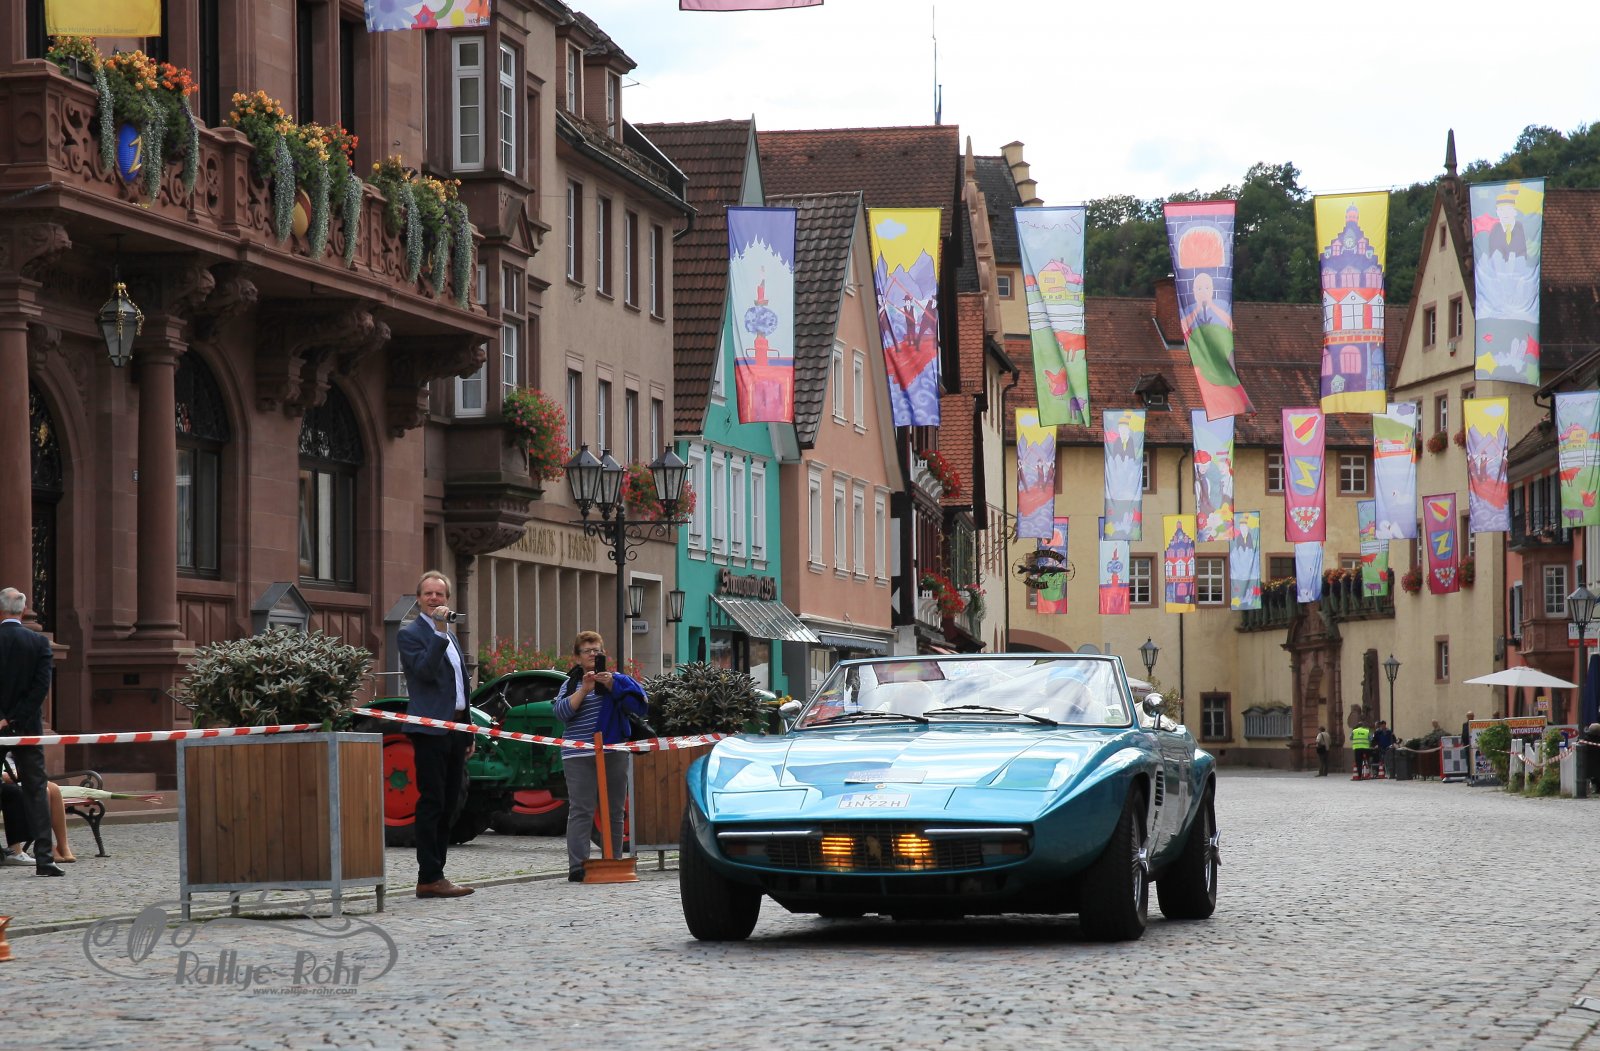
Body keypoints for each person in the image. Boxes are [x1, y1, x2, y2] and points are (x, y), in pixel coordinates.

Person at [396, 570, 474, 900]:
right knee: (433, 801)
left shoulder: (451, 637)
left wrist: (468, 730)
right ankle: (428, 876)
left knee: (451, 803)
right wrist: (440, 634)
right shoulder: (411, 634)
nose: (433, 599)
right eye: (427, 594)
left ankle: (437, 874)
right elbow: (425, 672)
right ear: (418, 599)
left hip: (456, 729)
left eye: (439, 594)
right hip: (429, 730)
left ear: (447, 599)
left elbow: (461, 686)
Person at [553, 630, 648, 883]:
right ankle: (577, 866)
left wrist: (612, 686)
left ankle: (613, 860)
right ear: (577, 657)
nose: (593, 655)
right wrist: (584, 689)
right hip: (578, 754)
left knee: (615, 809)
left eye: (597, 650)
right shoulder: (570, 684)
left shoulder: (616, 680)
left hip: (613, 751)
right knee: (581, 809)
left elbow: (637, 706)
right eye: (587, 651)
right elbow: (561, 713)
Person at [0, 586, 61, 876]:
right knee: (36, 789)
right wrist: (14, 719)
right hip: (28, 728)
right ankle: (45, 859)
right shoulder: (39, 643)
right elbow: (40, 689)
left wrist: (2, 718)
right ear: (24, 611)